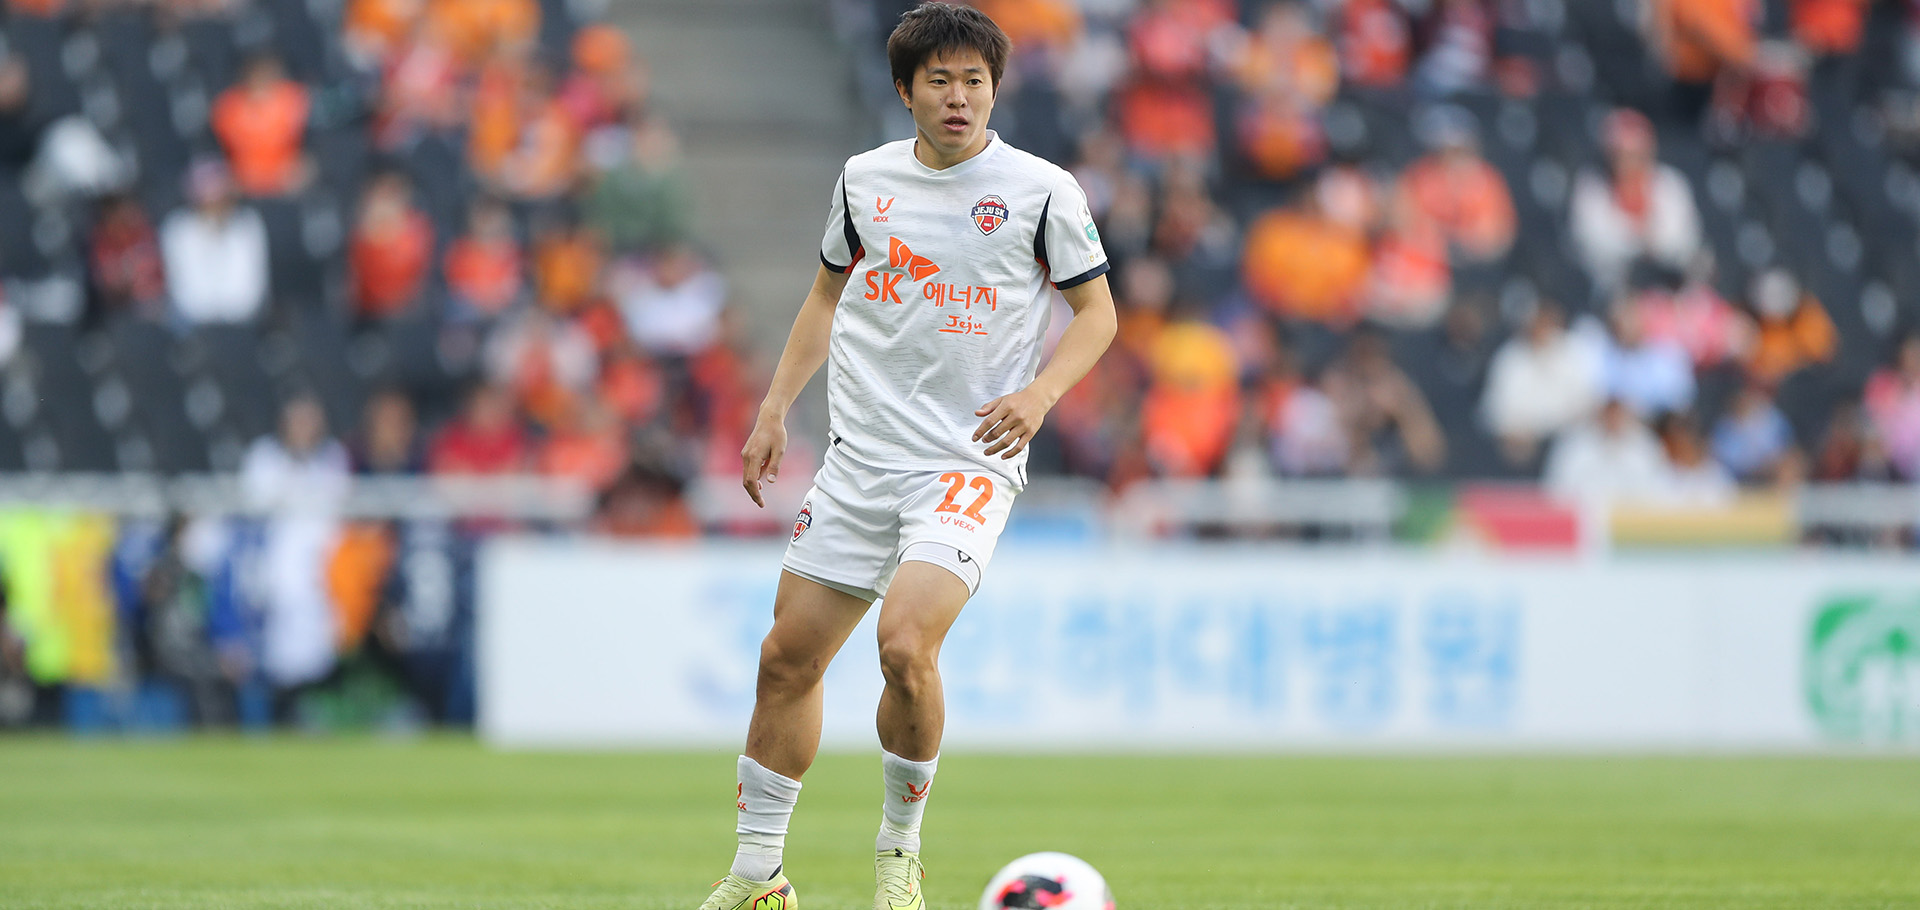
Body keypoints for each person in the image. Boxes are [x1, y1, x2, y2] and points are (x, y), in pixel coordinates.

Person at [702, 7, 1117, 910]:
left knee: (905, 644)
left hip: (966, 460)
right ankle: (758, 876)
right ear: (905, 91)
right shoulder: (865, 180)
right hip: (861, 458)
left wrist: (1041, 395)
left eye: (974, 80)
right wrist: (774, 409)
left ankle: (899, 855)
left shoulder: (1043, 191)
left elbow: (1099, 315)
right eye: (940, 80)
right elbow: (825, 297)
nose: (958, 96)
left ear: (994, 90)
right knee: (785, 659)